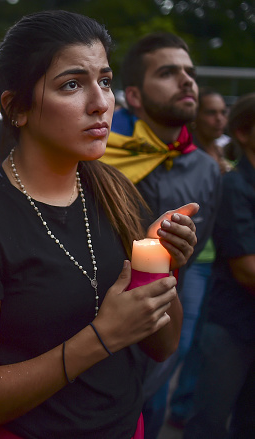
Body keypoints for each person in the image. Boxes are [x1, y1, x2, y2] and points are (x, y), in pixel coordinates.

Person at [0, 10, 198, 438]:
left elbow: (162, 346)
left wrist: (160, 264)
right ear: (17, 108)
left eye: (105, 81)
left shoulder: (115, 190)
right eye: (72, 84)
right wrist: (101, 337)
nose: (101, 103)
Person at [101, 32, 221, 439]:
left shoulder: (207, 170)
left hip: (163, 336)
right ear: (133, 96)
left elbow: (197, 248)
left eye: (190, 72)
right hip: (99, 336)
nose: (186, 81)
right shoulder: (101, 159)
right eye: (168, 73)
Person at [184, 93, 255, 439]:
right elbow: (247, 269)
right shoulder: (234, 185)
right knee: (209, 421)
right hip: (233, 325)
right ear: (243, 133)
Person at [166, 87, 233, 429]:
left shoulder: (225, 158)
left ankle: (183, 405)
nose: (219, 118)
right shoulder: (181, 159)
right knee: (182, 338)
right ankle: (163, 404)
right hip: (193, 262)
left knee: (202, 343)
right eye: (211, 112)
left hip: (220, 261)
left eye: (223, 112)